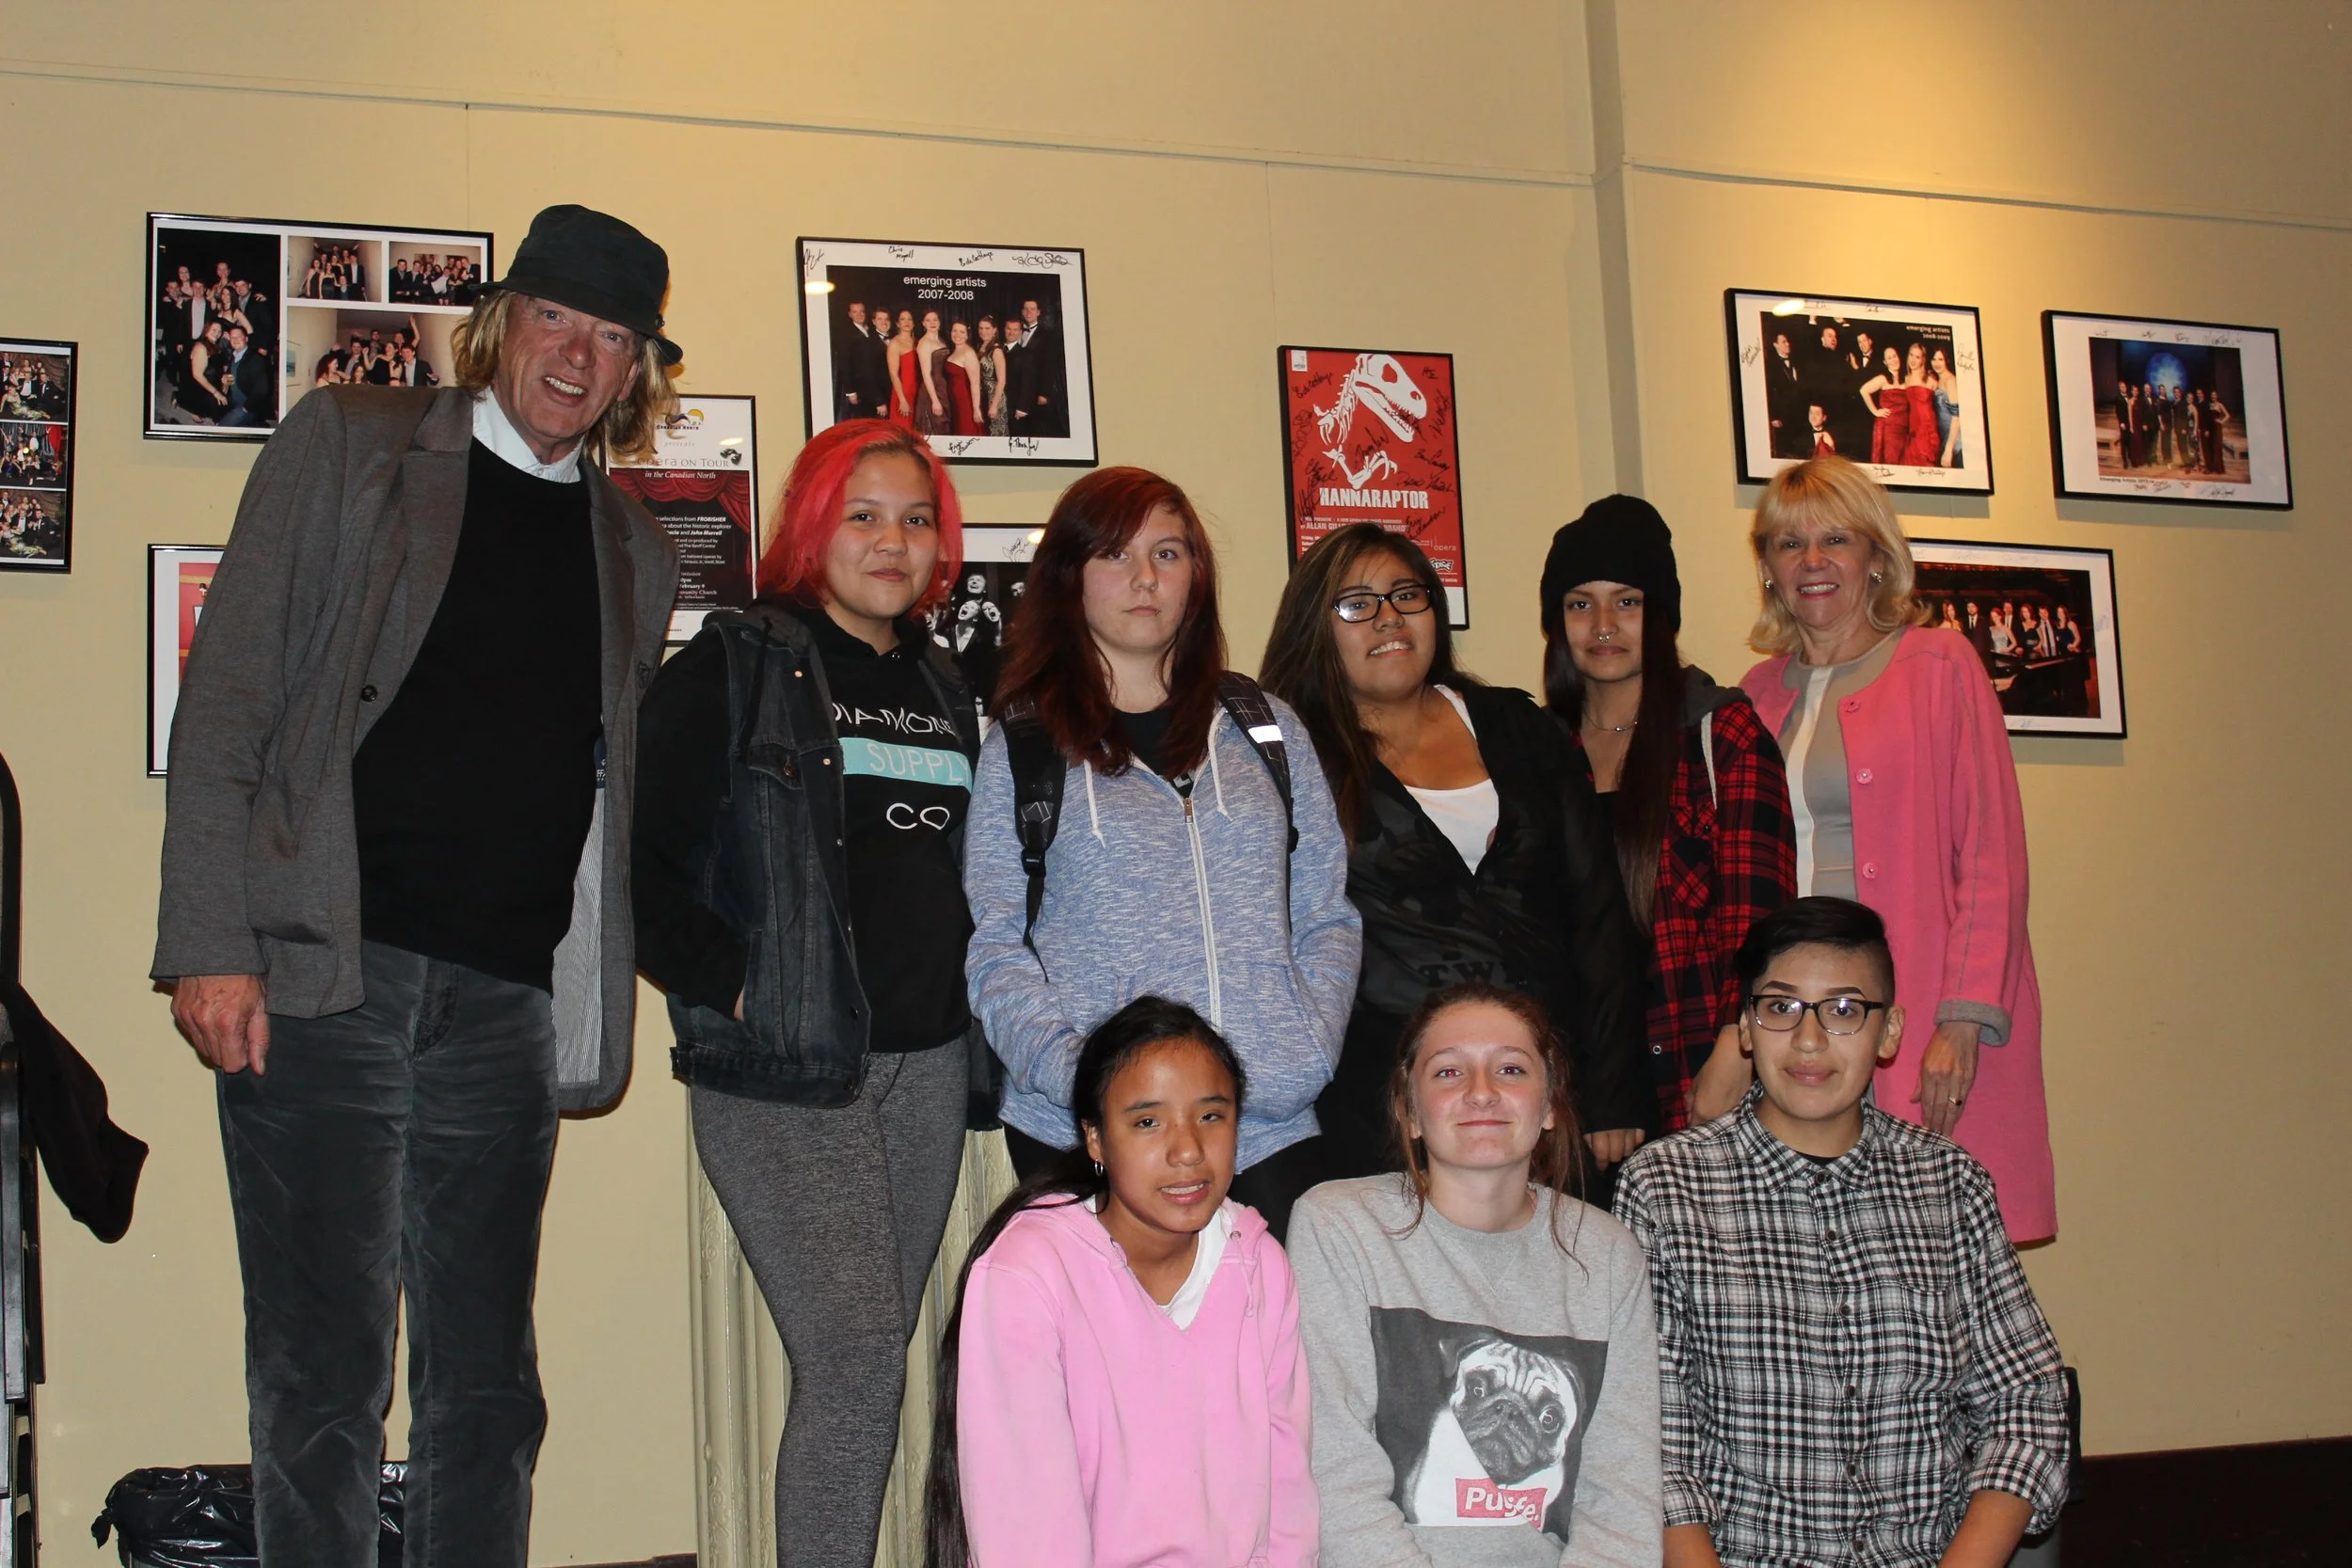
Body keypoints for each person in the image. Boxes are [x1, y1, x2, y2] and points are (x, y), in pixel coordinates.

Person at [151, 204, 683, 1567]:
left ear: (635, 371)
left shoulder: (636, 549)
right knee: (323, 1374)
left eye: (611, 336)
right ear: (503, 323)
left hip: (503, 1009)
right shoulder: (351, 443)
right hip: (326, 976)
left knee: (490, 1391)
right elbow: (229, 699)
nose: (577, 355)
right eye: (556, 317)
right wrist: (211, 939)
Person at [634, 419, 983, 1568]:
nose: (891, 541)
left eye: (915, 518)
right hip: (788, 1072)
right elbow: (634, 859)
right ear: (812, 526)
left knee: (870, 1361)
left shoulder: (942, 683)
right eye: (862, 514)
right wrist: (738, 985)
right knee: (856, 1356)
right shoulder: (737, 663)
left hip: (926, 1066)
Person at [962, 467, 1360, 1238]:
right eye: (1115, 554)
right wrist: (1084, 1078)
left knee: (1272, 1319)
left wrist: (1306, 1048)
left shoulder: (1266, 728)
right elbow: (997, 945)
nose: (1145, 577)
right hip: (1089, 1133)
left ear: (1196, 576)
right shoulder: (1024, 746)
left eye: (1168, 553)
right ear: (1070, 577)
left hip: (1266, 1122)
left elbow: (1326, 912)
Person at [1614, 897, 2069, 1568]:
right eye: (1781, 1007)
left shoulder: (1950, 1183)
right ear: (1746, 1028)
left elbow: (2025, 1401)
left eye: (1845, 1009)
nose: (1809, 1039)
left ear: (1889, 1032)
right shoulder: (1664, 1187)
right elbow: (1651, 1436)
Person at [1712, 456, 2056, 1243]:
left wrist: (1960, 1022)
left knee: (1932, 1248)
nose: (1812, 561)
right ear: (1766, 567)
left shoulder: (1940, 665)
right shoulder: (1753, 693)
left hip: (1918, 1009)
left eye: (1836, 539)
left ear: (1876, 555)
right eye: (1789, 543)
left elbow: (1993, 860)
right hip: (1797, 1018)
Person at [1260, 523, 1651, 1185]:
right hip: (1382, 1107)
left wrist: (1616, 1090)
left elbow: (1599, 914)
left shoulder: (1520, 727)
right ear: (1315, 627)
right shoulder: (1287, 763)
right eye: (1356, 604)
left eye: (1406, 595)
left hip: (1548, 1093)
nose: (1389, 617)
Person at [923, 996, 1315, 1568]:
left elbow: (1288, 1505)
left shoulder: (1261, 1266)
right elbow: (1027, 1533)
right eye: (1147, 1122)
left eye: (1211, 1116)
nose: (1187, 1150)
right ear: (1096, 1138)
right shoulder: (1028, 1274)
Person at [1290, 984, 1662, 1565]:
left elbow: (1622, 1502)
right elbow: (1336, 1476)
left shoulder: (1608, 1255)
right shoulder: (1340, 1226)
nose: (1482, 1092)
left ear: (1549, 1106)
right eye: (1448, 1072)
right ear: (1409, 1111)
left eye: (1511, 1069)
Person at [1537, 498, 1797, 1133]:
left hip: (1695, 1070)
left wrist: (1737, 1050)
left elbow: (1759, 918)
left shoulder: (1722, 735)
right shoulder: (1537, 749)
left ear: (1661, 615)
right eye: (1580, 604)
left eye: (1627, 602)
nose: (1603, 625)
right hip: (1569, 1088)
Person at [1857, 344, 1910, 466]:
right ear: (1885, 362)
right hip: (1888, 428)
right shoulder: (1883, 379)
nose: (1893, 360)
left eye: (1894, 356)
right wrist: (1875, 411)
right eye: (1889, 358)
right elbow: (1863, 390)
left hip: (1904, 427)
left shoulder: (1907, 379)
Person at [1764, 329, 1806, 458]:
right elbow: (1769, 391)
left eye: (1787, 341)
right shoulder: (1770, 365)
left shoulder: (1797, 362)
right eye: (1783, 342)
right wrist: (1773, 416)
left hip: (1799, 414)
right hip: (1782, 417)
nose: (1787, 344)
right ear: (1775, 345)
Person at [181, 319, 229, 422]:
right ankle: (182, 400)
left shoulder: (216, 345)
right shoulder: (201, 347)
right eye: (214, 330)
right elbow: (197, 375)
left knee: (228, 401)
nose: (217, 334)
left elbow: (221, 366)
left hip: (212, 381)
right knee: (220, 407)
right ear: (206, 330)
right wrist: (216, 393)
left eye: (219, 331)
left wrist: (224, 380)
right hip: (199, 385)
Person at [943, 318, 983, 436]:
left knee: (966, 432)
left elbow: (975, 383)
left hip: (965, 402)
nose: (957, 335)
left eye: (962, 332)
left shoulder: (969, 353)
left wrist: (976, 409)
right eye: (954, 331)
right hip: (954, 401)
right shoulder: (954, 351)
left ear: (967, 335)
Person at [914, 308, 950, 435]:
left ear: (939, 322)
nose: (932, 323)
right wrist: (935, 400)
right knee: (935, 427)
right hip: (931, 390)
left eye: (935, 319)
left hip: (942, 387)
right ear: (923, 323)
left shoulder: (941, 340)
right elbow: (926, 374)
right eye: (928, 320)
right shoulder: (924, 343)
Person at [974, 313, 1009, 436]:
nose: (983, 331)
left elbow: (1002, 380)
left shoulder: (996, 350)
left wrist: (994, 405)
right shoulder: (980, 347)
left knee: (995, 433)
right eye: (981, 328)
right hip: (982, 395)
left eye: (987, 328)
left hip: (994, 397)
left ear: (994, 330)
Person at [1929, 345, 1963, 467]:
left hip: (1956, 445)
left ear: (1946, 361)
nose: (1936, 363)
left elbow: (1956, 417)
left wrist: (1948, 449)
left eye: (1940, 359)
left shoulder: (1950, 381)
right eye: (1934, 359)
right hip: (1944, 440)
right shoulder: (1938, 379)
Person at [887, 307, 918, 426]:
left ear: (913, 323)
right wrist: (902, 400)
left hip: (917, 392)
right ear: (897, 324)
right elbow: (893, 374)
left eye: (910, 319)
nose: (907, 322)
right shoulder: (895, 343)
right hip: (903, 392)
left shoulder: (917, 342)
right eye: (903, 319)